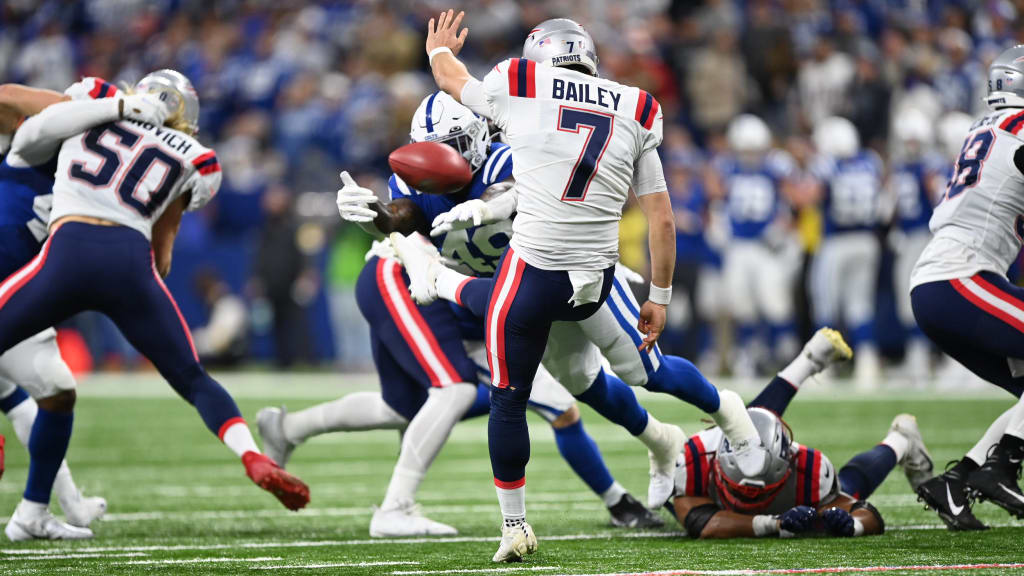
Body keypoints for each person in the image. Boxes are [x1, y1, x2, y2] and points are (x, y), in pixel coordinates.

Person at [412, 10, 766, 561]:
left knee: (508, 400)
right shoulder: (637, 106)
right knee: (636, 370)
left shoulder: (520, 83)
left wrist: (437, 50)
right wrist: (661, 297)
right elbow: (662, 219)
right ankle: (726, 414)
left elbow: (451, 81)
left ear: (540, 58)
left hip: (533, 274)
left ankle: (515, 527)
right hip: (596, 277)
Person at [263, 91, 670, 536]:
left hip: (467, 299)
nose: (447, 157)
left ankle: (288, 428)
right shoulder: (419, 181)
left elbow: (530, 202)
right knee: (455, 391)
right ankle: (394, 508)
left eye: (455, 143)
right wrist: (373, 214)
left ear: (478, 135)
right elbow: (401, 218)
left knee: (406, 406)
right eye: (436, 147)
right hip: (405, 280)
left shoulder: (511, 166)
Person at [0, 69, 309, 541]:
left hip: (67, 250)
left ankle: (36, 509)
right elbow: (162, 258)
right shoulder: (196, 156)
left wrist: (115, 109)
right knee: (193, 379)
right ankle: (252, 455)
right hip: (129, 266)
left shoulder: (89, 107)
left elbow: (35, 123)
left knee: (52, 385)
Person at [0, 79, 137, 538]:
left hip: (13, 297)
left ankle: (52, 508)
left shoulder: (88, 174)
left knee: (48, 392)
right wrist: (114, 107)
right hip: (7, 292)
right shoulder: (34, 140)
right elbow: (7, 96)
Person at [668, 329, 934, 538]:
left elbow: (866, 513)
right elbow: (701, 523)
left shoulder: (809, 469)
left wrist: (852, 525)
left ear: (787, 464)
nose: (750, 500)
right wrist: (772, 524)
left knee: (845, 491)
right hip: (772, 508)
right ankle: (899, 440)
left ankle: (900, 441)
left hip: (791, 499)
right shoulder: (697, 456)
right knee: (748, 427)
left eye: (760, 493)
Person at [912, 45, 1024, 530]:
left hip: (946, 283)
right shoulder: (1018, 126)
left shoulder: (988, 129)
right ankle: (1002, 466)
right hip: (962, 277)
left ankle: (958, 481)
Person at [708, 114, 797, 375]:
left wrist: (782, 226)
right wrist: (718, 220)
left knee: (775, 302)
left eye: (754, 150)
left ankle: (786, 351)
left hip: (765, 245)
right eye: (745, 150)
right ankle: (749, 354)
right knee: (742, 304)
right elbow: (716, 195)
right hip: (738, 245)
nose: (750, 155)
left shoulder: (776, 166)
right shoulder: (725, 166)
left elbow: (790, 200)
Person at [808, 116, 884, 387]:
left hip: (837, 242)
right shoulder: (871, 162)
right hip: (867, 240)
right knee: (860, 305)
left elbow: (811, 195)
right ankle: (868, 363)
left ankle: (823, 367)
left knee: (826, 304)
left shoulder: (827, 165)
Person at [886, 107, 943, 383]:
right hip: (907, 238)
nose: (910, 147)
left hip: (925, 236)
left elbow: (939, 201)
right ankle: (915, 357)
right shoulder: (900, 167)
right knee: (904, 301)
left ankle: (926, 359)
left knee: (922, 297)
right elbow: (893, 205)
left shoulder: (930, 166)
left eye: (914, 141)